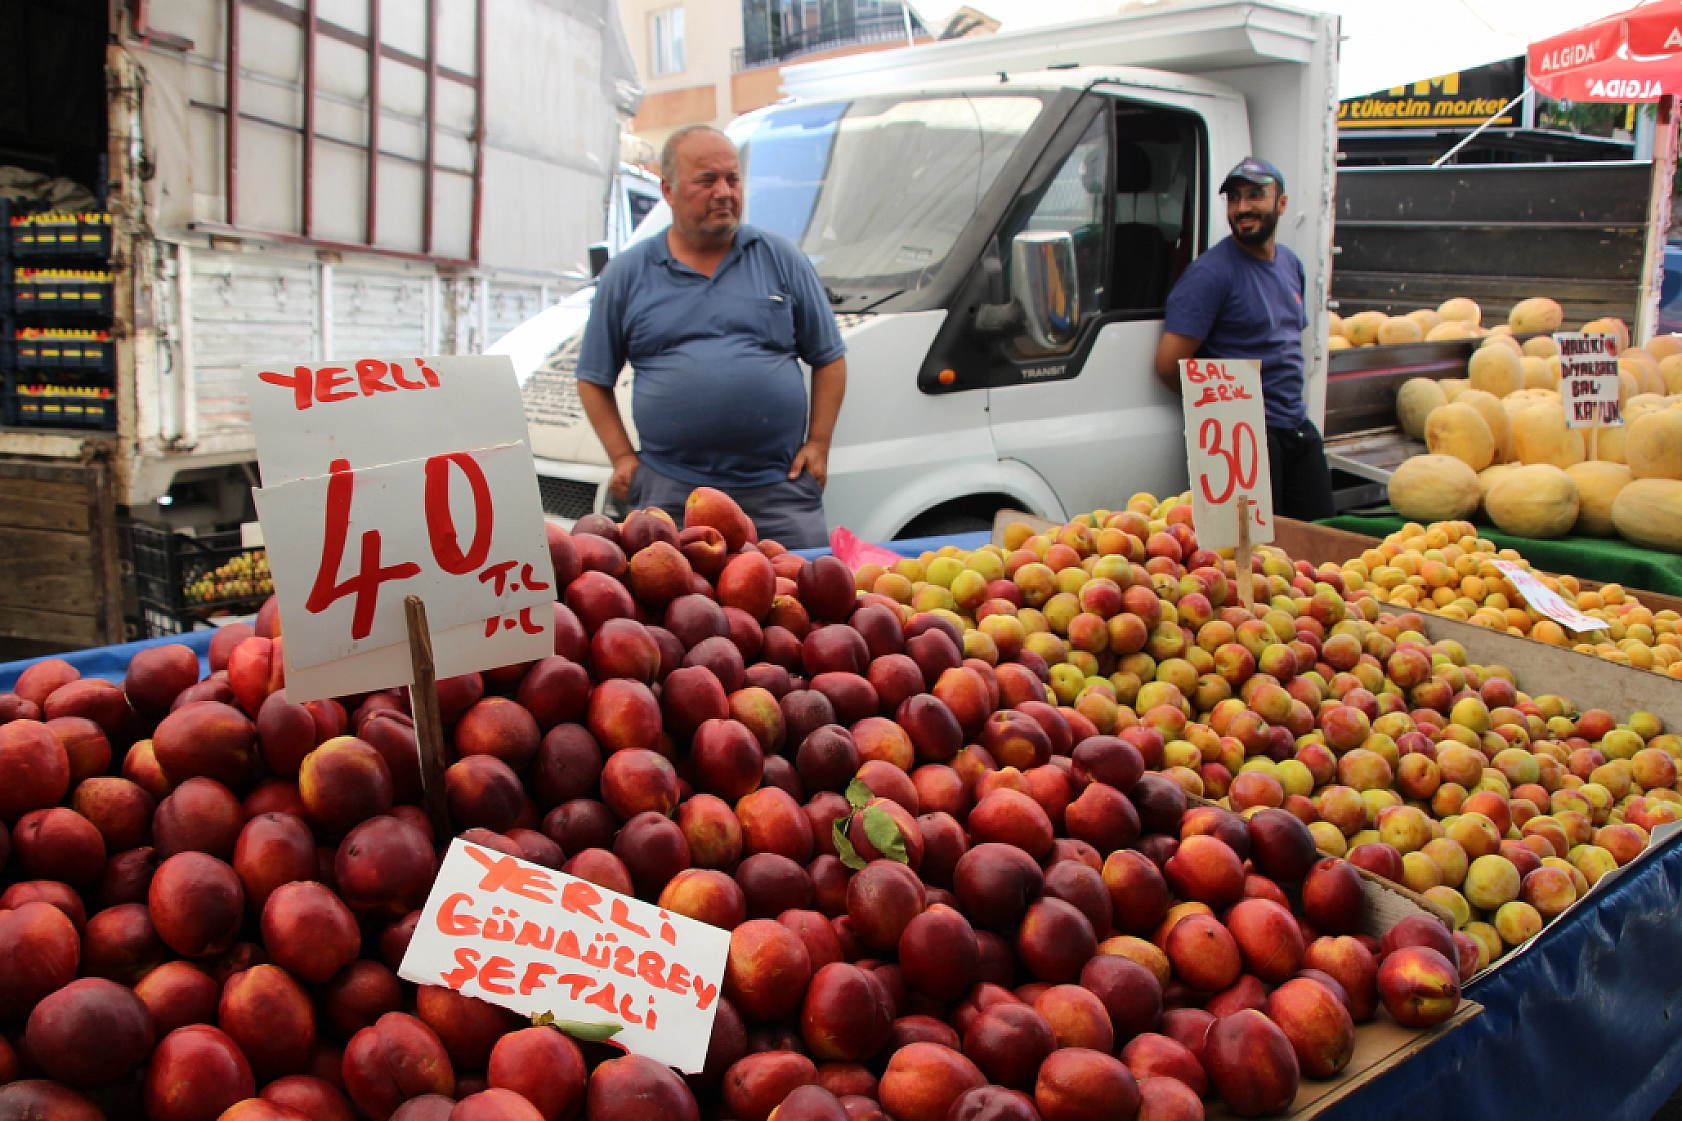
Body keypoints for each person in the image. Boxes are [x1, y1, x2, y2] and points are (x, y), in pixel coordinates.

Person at [575, 124, 848, 549]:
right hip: (672, 497)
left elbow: (829, 357)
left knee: (806, 605)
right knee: (681, 613)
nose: (724, 192)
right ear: (668, 190)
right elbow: (593, 377)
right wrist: (623, 457)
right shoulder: (628, 274)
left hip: (779, 492)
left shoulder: (781, 259)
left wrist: (819, 443)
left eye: (733, 179)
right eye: (707, 181)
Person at [1153, 156, 1336, 522]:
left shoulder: (1289, 264)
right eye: (1234, 198)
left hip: (1294, 425)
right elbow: (1168, 365)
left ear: (1281, 203)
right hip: (1246, 438)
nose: (1243, 208)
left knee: (1318, 542)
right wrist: (1225, 408)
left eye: (1255, 195)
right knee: (1258, 560)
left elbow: (1285, 346)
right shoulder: (1209, 275)